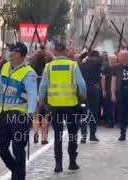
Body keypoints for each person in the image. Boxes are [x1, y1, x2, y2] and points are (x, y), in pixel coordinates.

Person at [0, 42, 38, 180]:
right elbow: (0, 88)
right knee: (1, 147)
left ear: (21, 56)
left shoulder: (29, 73)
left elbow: (32, 94)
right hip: (4, 114)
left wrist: (30, 114)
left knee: (18, 149)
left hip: (20, 116)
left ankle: (18, 177)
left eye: (14, 52)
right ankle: (17, 170)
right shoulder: (5, 67)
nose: (10, 54)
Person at [39, 43, 87, 173]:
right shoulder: (73, 65)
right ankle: (72, 162)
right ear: (66, 51)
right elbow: (81, 85)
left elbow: (43, 86)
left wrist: (41, 102)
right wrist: (82, 98)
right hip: (71, 105)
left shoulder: (48, 67)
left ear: (55, 51)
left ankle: (58, 164)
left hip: (55, 105)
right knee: (72, 134)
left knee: (58, 135)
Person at [30, 50, 54, 145]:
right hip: (47, 92)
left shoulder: (32, 67)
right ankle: (44, 138)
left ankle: (36, 133)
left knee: (36, 115)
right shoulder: (49, 67)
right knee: (46, 116)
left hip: (35, 91)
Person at [80, 50, 102, 143]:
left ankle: (83, 135)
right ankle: (92, 135)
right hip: (95, 90)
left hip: (84, 90)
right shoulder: (98, 63)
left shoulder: (82, 65)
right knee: (94, 112)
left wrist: (84, 56)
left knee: (83, 113)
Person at [101, 55, 118, 128]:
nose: (113, 60)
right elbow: (103, 79)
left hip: (116, 89)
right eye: (111, 59)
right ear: (109, 60)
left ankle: (116, 120)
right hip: (108, 89)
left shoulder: (117, 68)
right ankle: (109, 121)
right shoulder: (106, 68)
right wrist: (103, 90)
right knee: (109, 106)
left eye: (114, 59)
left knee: (116, 106)